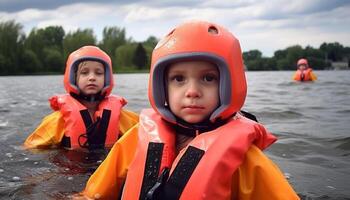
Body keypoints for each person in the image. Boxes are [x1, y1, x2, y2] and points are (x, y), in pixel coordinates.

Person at [80, 21, 299, 199]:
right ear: (161, 87)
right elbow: (91, 195)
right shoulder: (135, 139)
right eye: (178, 79)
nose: (192, 91)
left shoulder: (246, 160)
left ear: (230, 84)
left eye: (208, 78)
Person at [24, 46, 138, 150]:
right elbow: (31, 149)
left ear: (107, 78)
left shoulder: (122, 118)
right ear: (73, 78)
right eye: (84, 73)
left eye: (98, 73)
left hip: (108, 169)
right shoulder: (58, 120)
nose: (92, 77)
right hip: (71, 170)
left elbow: (146, 135)